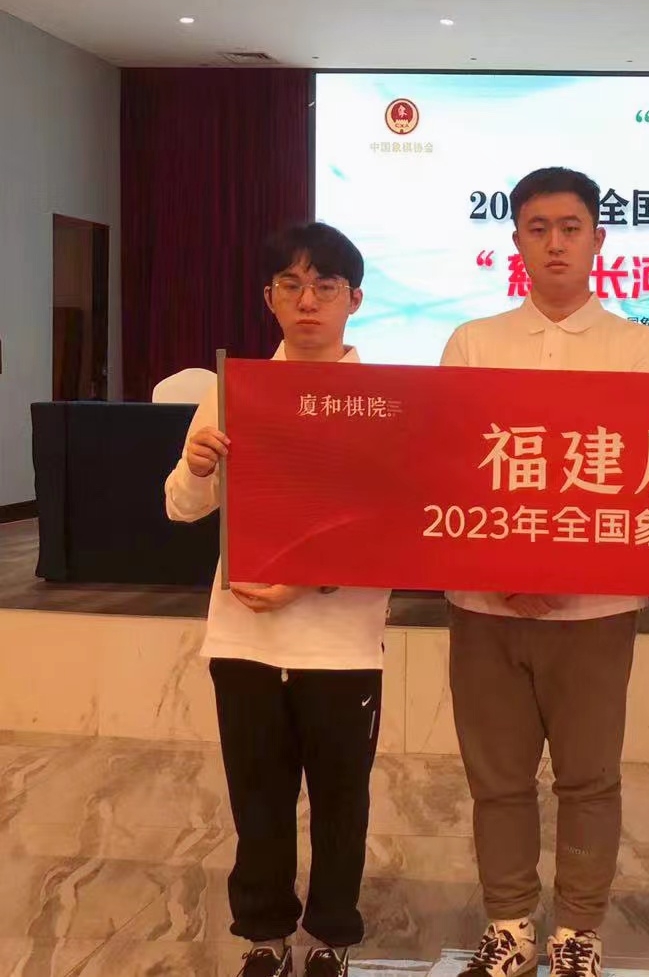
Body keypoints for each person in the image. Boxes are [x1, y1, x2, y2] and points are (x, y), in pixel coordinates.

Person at [441, 166, 649, 977]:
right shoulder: (473, 343)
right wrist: (505, 570)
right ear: (515, 241)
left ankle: (577, 932)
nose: (554, 243)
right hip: (485, 604)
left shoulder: (638, 349)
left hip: (596, 609)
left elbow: (645, 475)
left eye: (570, 227)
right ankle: (508, 927)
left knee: (588, 779)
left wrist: (566, 569)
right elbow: (453, 466)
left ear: (598, 239)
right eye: (537, 228)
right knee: (497, 779)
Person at [165, 222, 391, 977]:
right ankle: (264, 935)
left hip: (342, 640)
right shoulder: (235, 391)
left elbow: (390, 525)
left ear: (355, 299)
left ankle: (330, 939)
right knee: (257, 798)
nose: (308, 300)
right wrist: (197, 466)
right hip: (244, 637)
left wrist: (309, 577)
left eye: (325, 285)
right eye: (291, 285)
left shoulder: (383, 400)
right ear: (269, 298)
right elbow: (181, 508)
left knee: (340, 801)